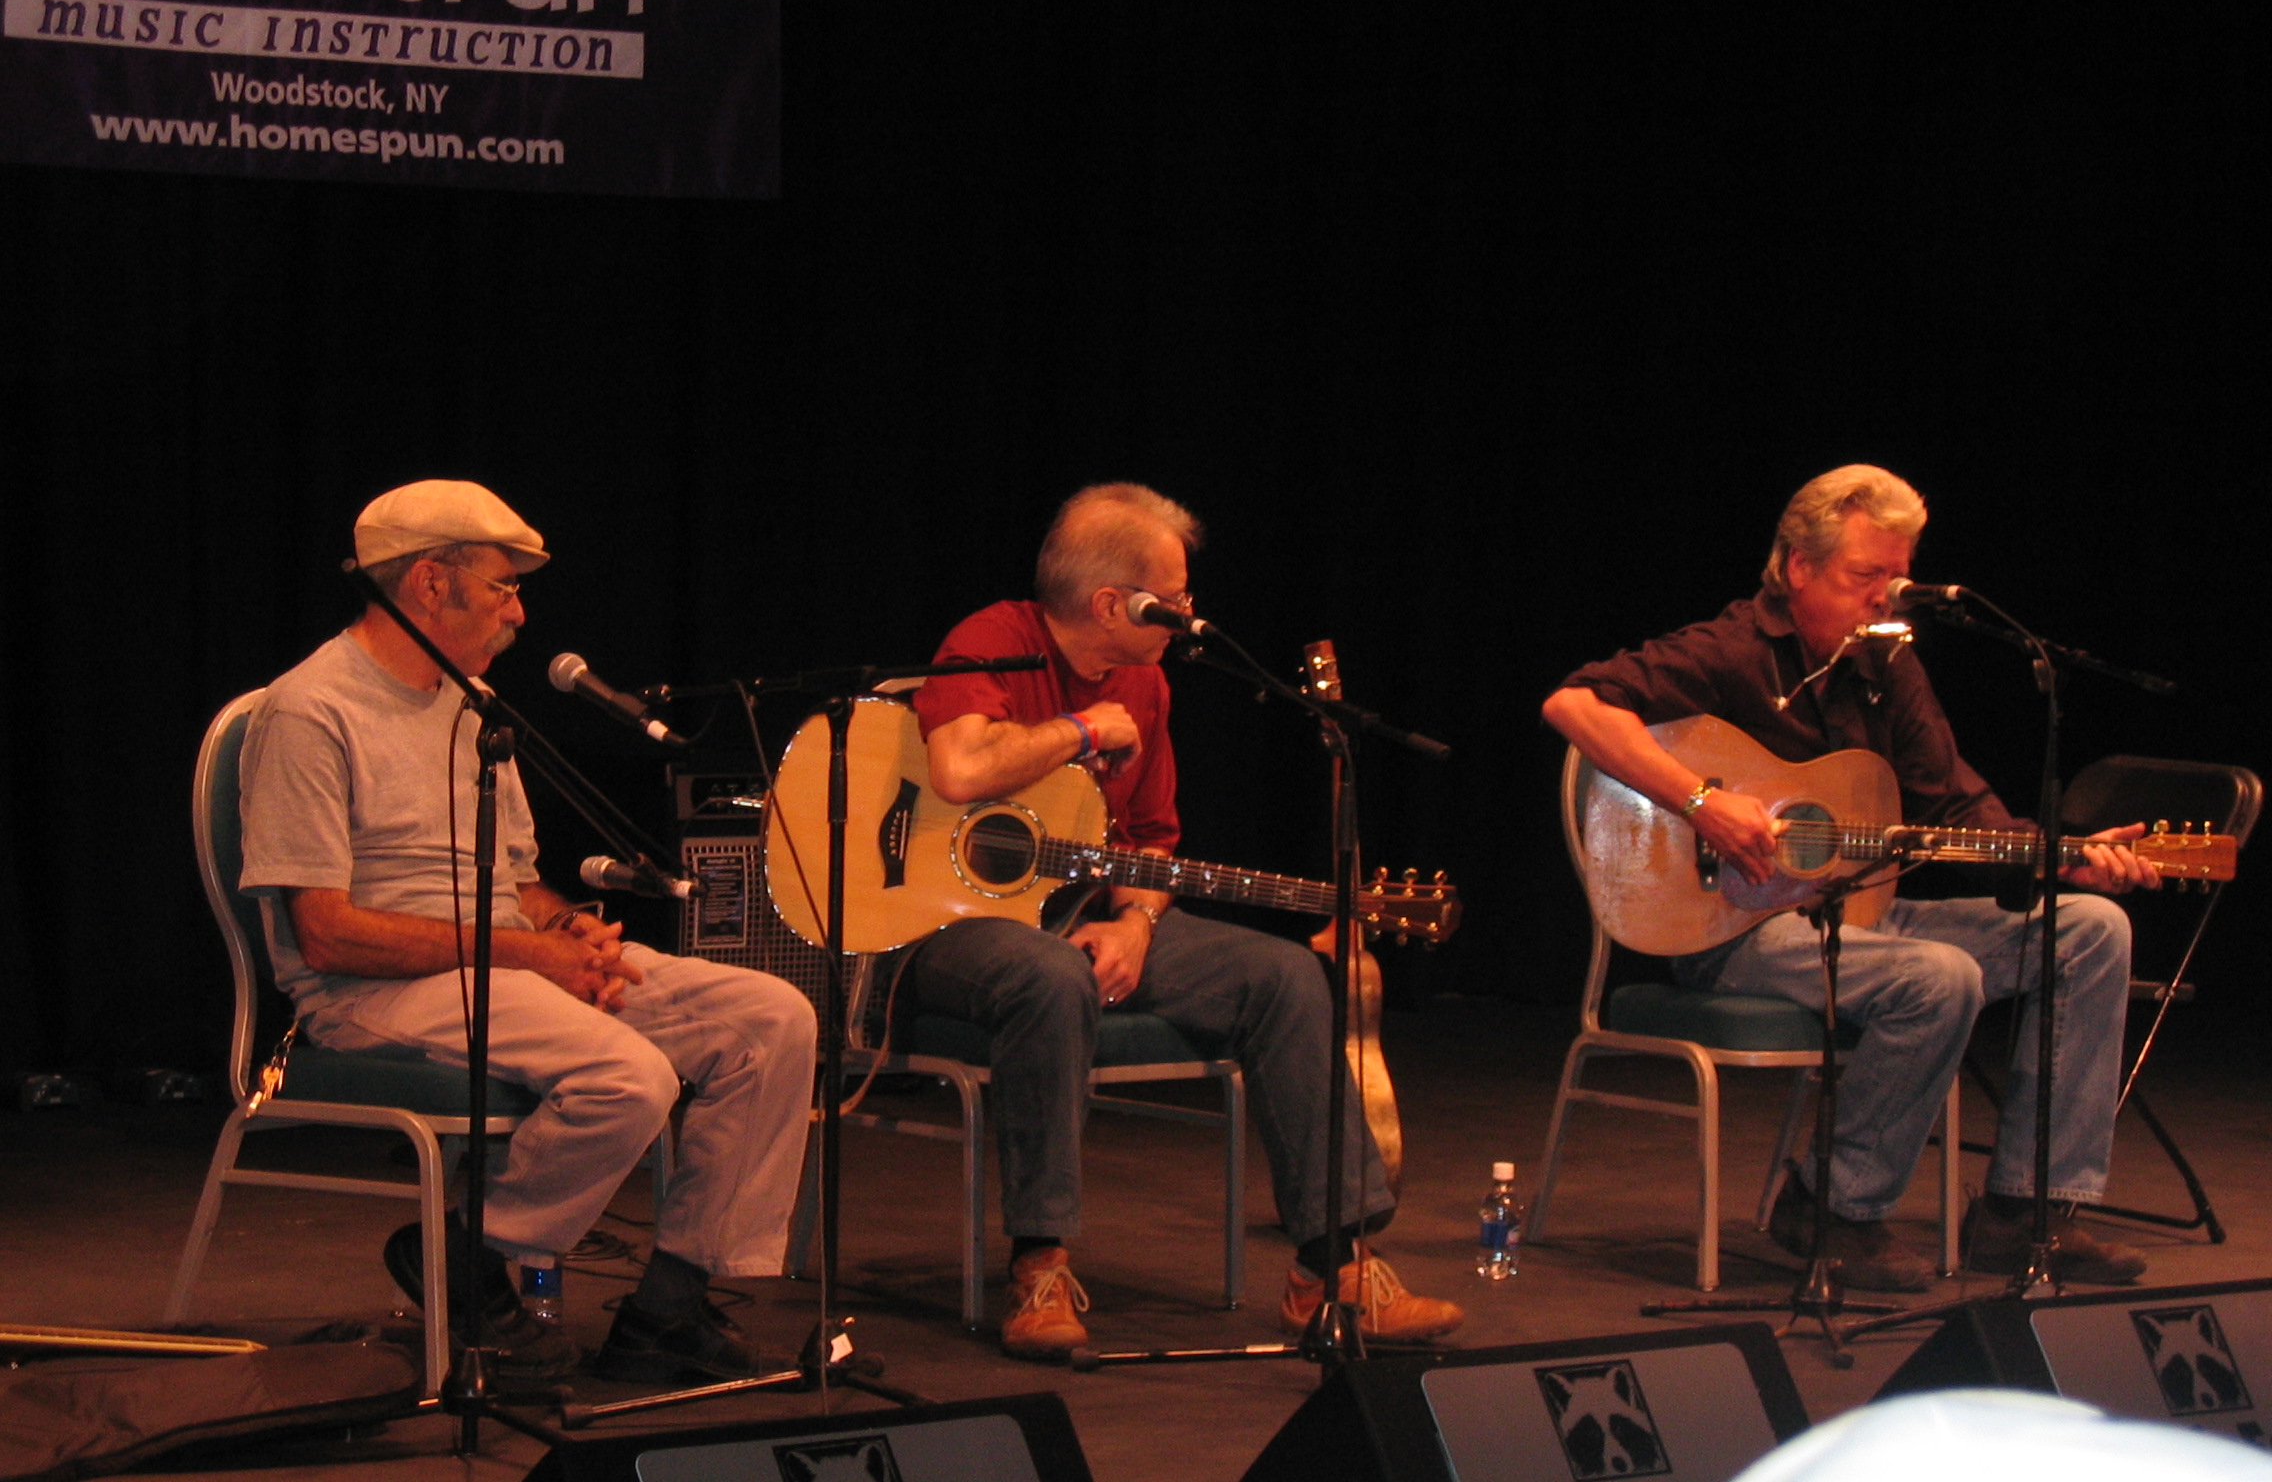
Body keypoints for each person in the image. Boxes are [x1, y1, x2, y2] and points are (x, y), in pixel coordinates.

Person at [238, 480, 818, 1380]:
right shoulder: (309, 712)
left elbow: (514, 883)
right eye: (504, 585)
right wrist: (527, 951)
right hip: (370, 993)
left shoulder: (472, 703)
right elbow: (325, 936)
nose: (520, 609)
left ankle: (668, 1309)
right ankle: (464, 1258)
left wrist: (570, 930)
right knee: (629, 1075)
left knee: (772, 1018)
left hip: (503, 964)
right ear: (432, 583)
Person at [1542, 464, 2157, 1291]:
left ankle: (2024, 1213)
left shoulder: (1885, 666)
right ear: (1799, 567)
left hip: (1858, 919)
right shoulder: (1730, 651)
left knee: (2091, 930)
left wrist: (2064, 856)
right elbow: (1574, 707)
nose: (1884, 600)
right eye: (1865, 577)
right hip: (1735, 931)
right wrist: (1703, 804)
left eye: (1896, 582)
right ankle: (1831, 1205)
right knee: (1940, 977)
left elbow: (1955, 804)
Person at [901, 482, 1464, 1357]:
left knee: (1284, 975)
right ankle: (1039, 1264)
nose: (1190, 611)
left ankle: (1333, 1270)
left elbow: (1155, 843)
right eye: (1176, 595)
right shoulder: (993, 641)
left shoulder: (1148, 681)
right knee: (1050, 975)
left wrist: (1137, 926)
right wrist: (1080, 731)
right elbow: (961, 772)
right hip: (944, 918)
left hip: (1087, 908)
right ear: (1110, 603)